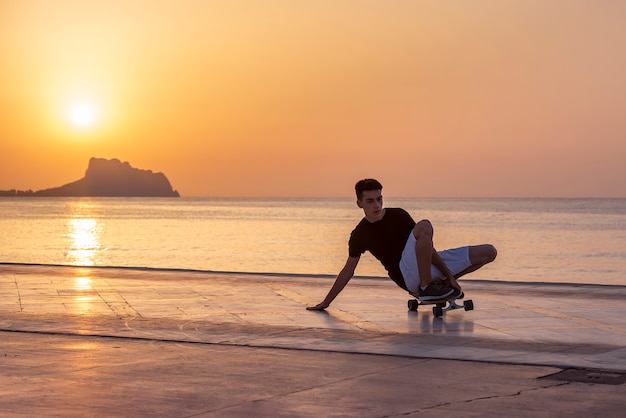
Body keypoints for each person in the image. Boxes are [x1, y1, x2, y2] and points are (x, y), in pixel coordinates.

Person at [307, 179, 497, 311]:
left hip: (425, 266)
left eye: (379, 199)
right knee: (424, 225)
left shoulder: (398, 214)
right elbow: (347, 271)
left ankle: (440, 283)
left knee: (489, 252)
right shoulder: (360, 234)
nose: (377, 205)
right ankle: (425, 286)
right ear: (359, 204)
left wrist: (450, 276)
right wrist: (326, 302)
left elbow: (426, 247)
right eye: (370, 201)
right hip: (406, 275)